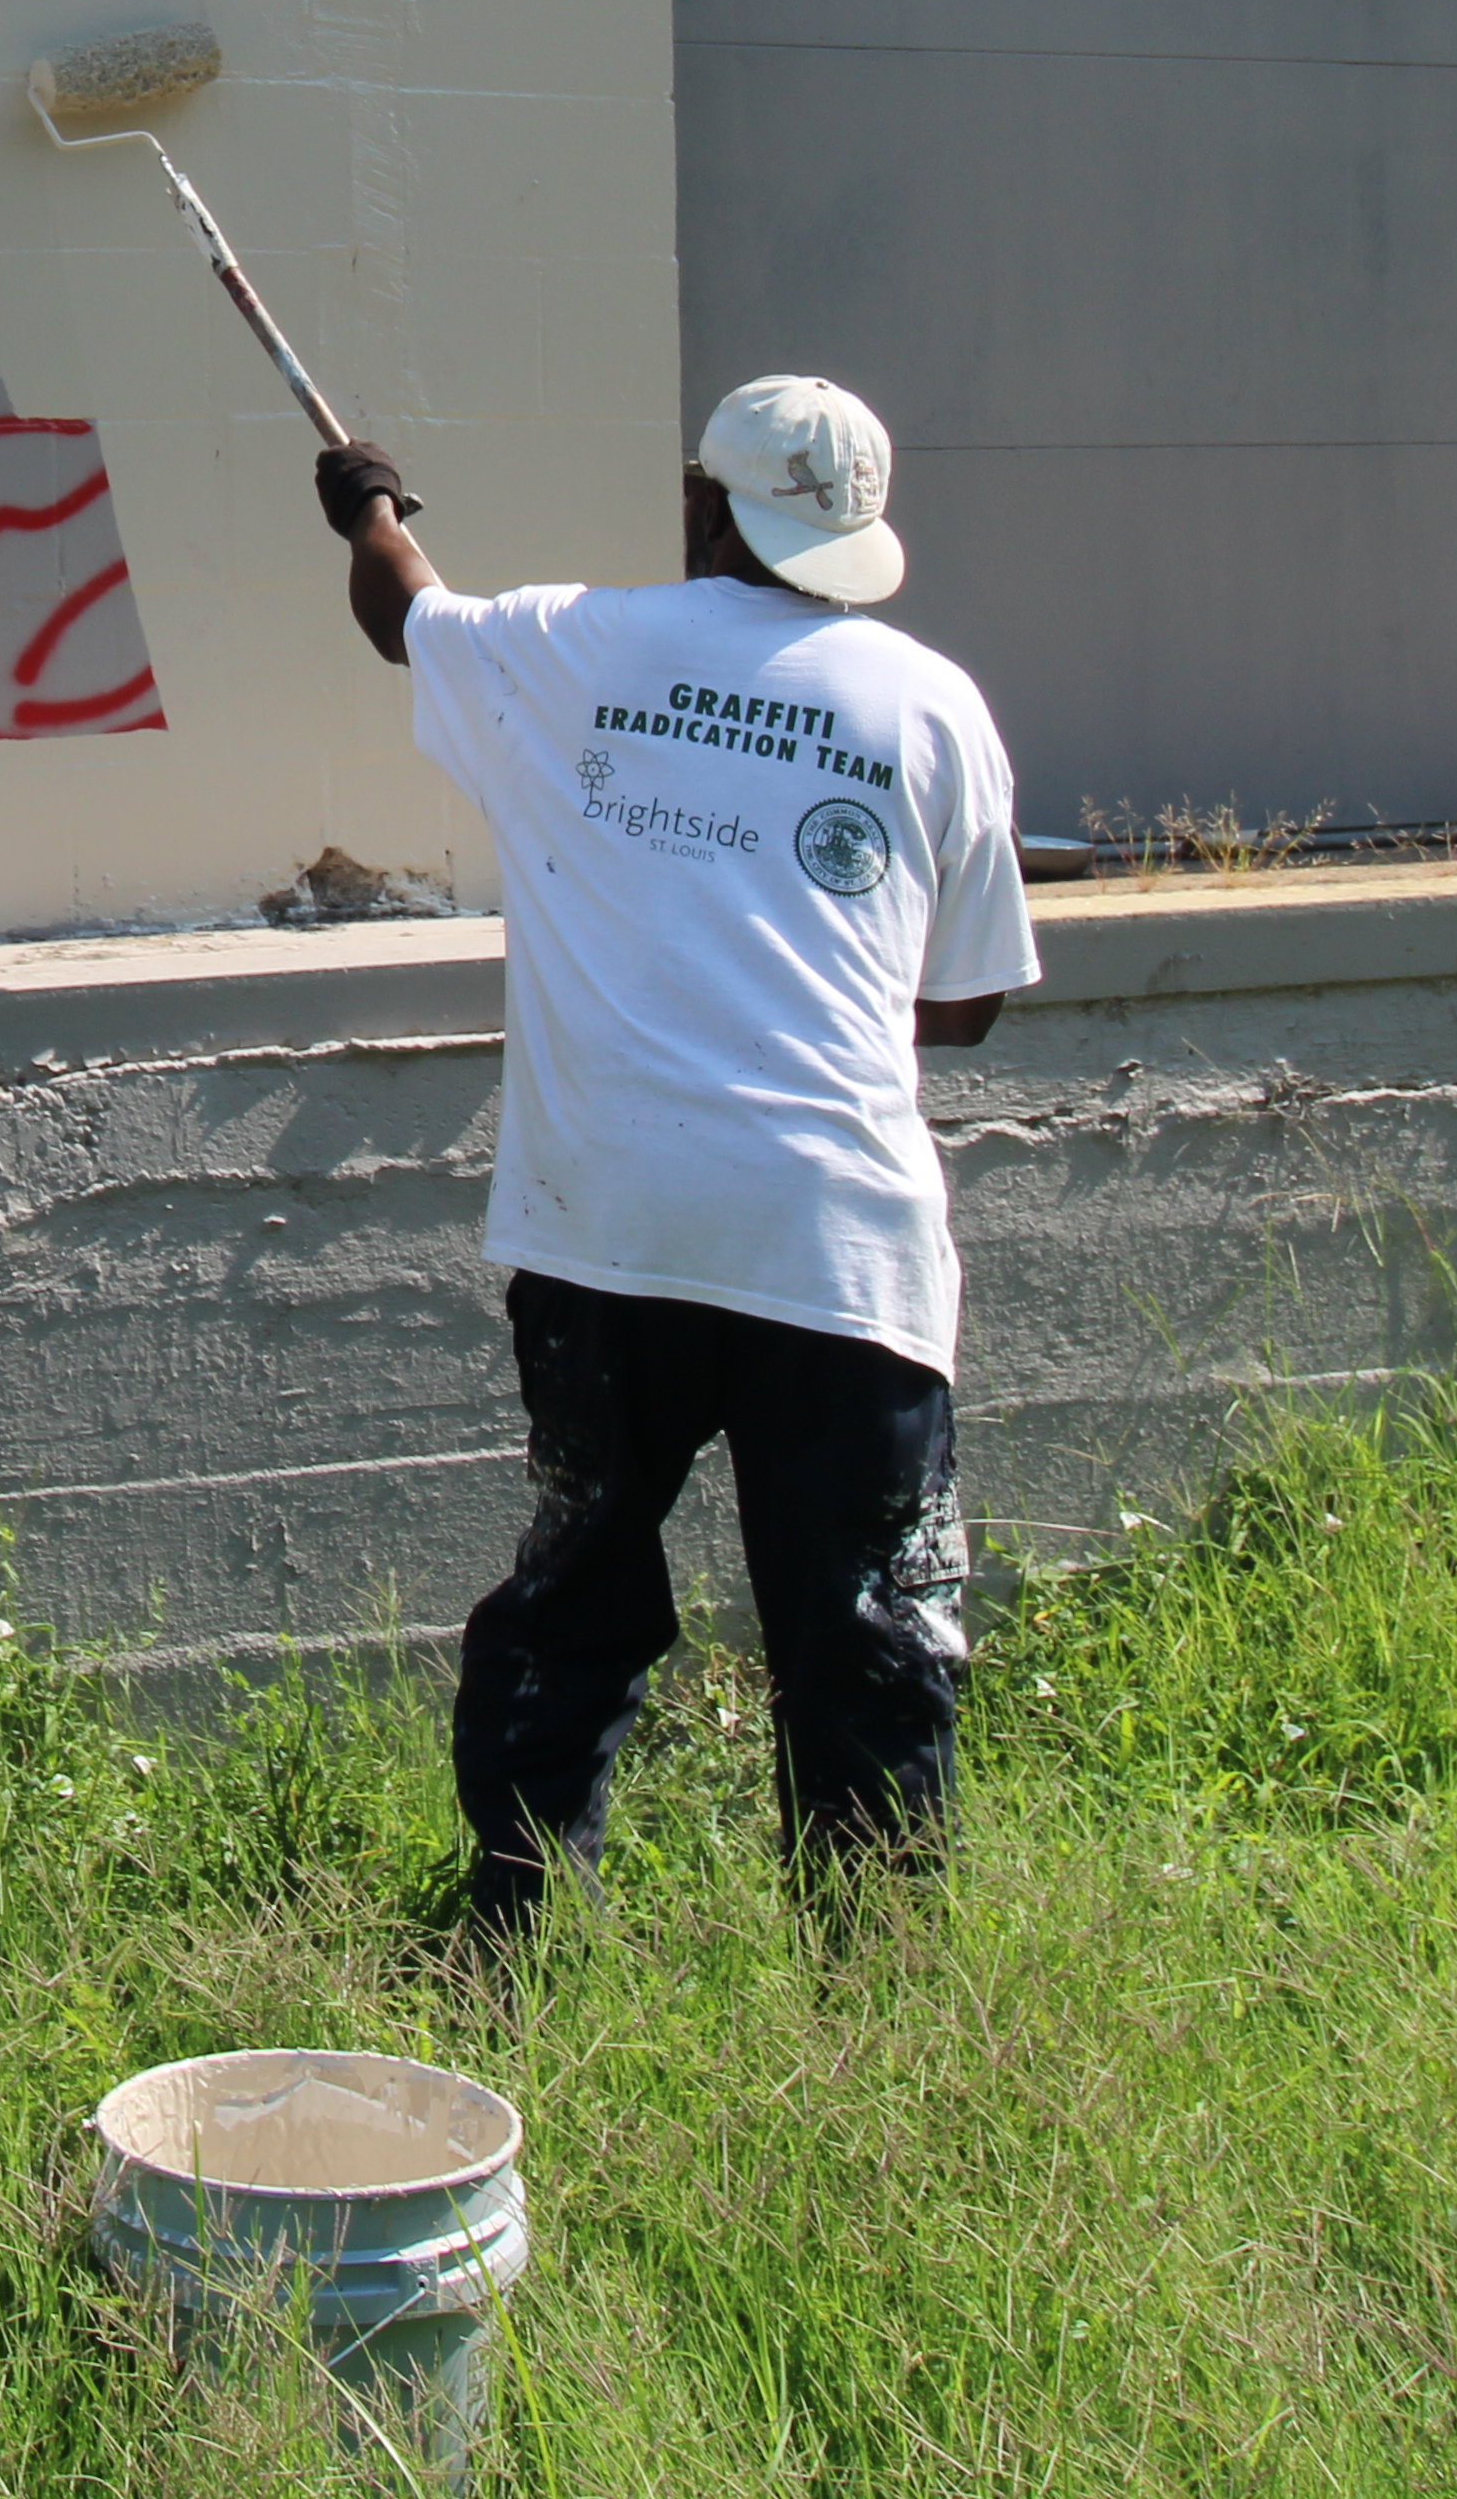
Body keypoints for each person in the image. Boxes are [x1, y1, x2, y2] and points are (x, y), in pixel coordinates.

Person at [310, 374, 1039, 1933]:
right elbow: (967, 1004)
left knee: (574, 1600)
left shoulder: (571, 647)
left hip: (609, 1231)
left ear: (703, 504)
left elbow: (402, 612)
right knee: (866, 1632)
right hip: (837, 1249)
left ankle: (517, 1941)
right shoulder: (933, 707)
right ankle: (881, 1983)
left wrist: (367, 500)